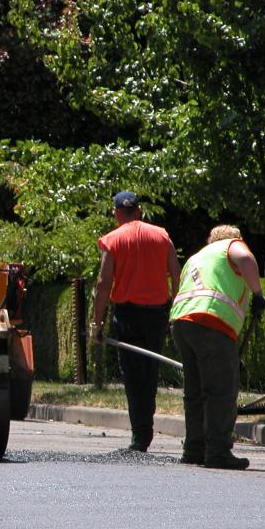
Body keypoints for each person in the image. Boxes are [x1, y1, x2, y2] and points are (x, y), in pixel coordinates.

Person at [90, 191, 181, 452]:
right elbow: (176, 274)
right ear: (139, 211)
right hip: (156, 314)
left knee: (132, 373)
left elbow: (104, 282)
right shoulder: (162, 236)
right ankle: (145, 431)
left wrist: (97, 322)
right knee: (150, 371)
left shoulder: (113, 240)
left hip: (127, 314)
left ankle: (139, 435)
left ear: (117, 213)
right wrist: (175, 310)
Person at [169, 225, 265, 470]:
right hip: (210, 320)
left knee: (196, 390)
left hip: (181, 322)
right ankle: (218, 451)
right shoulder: (231, 246)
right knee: (220, 390)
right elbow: (245, 258)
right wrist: (258, 294)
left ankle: (194, 449)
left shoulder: (197, 256)